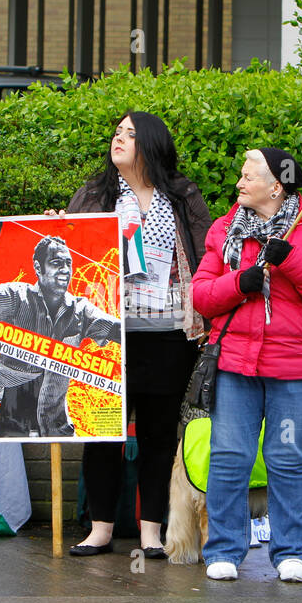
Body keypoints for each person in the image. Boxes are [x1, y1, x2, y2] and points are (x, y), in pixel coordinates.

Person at [189, 148, 302, 582]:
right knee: (228, 457)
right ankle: (223, 549)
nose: (239, 184)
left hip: (299, 370)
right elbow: (202, 295)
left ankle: (290, 552)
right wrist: (238, 283)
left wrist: (292, 260)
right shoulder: (225, 229)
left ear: (276, 186)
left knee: (288, 458)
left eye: (248, 176)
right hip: (236, 367)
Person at [63, 111, 213, 558]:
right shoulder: (95, 193)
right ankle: (100, 528)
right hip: (106, 331)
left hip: (168, 333)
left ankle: (151, 532)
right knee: (102, 431)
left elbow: (206, 253)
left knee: (159, 434)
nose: (119, 140)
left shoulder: (181, 196)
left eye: (130, 134)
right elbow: (70, 248)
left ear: (150, 144)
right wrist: (59, 226)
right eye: (116, 133)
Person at [0, 234, 122, 438]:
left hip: (58, 430)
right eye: (56, 263)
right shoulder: (16, 298)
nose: (65, 270)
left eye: (68, 263)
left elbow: (116, 328)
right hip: (10, 429)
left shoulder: (80, 310)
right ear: (38, 268)